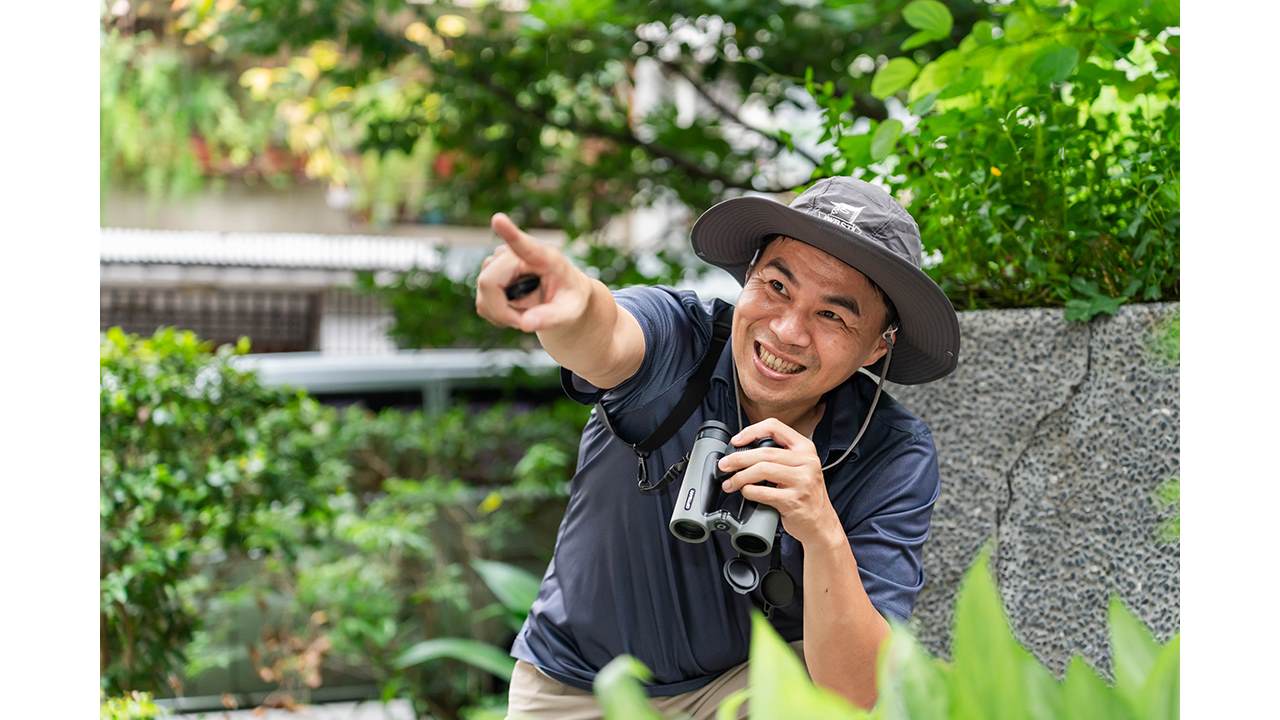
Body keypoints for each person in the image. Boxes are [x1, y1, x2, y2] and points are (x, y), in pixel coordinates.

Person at [474, 177, 960, 719]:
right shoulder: (682, 338)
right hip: (581, 685)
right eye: (777, 287)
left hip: (745, 690)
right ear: (749, 276)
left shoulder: (892, 453)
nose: (787, 330)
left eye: (832, 315)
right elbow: (607, 337)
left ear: (877, 346)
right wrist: (569, 305)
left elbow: (860, 694)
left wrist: (820, 529)